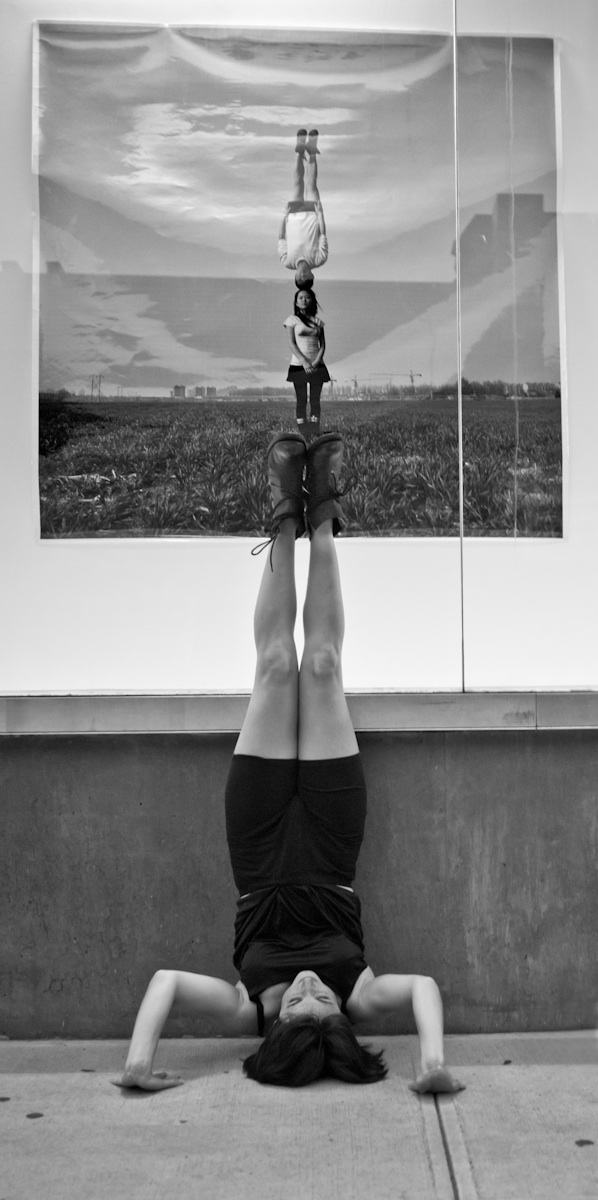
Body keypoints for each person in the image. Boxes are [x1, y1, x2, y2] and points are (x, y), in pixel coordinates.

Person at [113, 433, 464, 1094]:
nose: (310, 989)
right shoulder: (357, 997)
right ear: (342, 1017)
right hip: (331, 849)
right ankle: (323, 514)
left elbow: (163, 984)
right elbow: (422, 990)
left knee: (277, 667)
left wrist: (138, 1064)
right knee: (324, 667)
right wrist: (434, 1062)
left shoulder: (246, 1006)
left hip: (260, 846)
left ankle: (282, 511)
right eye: (323, 1003)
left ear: (277, 1029)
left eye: (300, 1003)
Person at [278, 129, 328, 286]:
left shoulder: (287, 262)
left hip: (293, 215)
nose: (302, 275)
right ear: (311, 276)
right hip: (313, 214)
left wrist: (284, 216)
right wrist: (320, 215)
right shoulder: (319, 260)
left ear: (295, 277)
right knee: (311, 184)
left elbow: (281, 238)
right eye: (305, 278)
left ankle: (299, 151)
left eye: (299, 278)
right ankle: (312, 150)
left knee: (298, 183)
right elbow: (322, 235)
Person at [284, 288, 330, 439]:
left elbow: (322, 345)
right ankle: (303, 430)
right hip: (298, 365)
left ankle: (314, 428)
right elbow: (292, 344)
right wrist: (304, 362)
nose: (304, 300)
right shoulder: (292, 320)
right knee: (301, 400)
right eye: (301, 298)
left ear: (312, 301)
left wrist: (316, 362)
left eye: (307, 298)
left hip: (318, 365)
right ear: (296, 302)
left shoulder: (318, 322)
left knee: (315, 400)